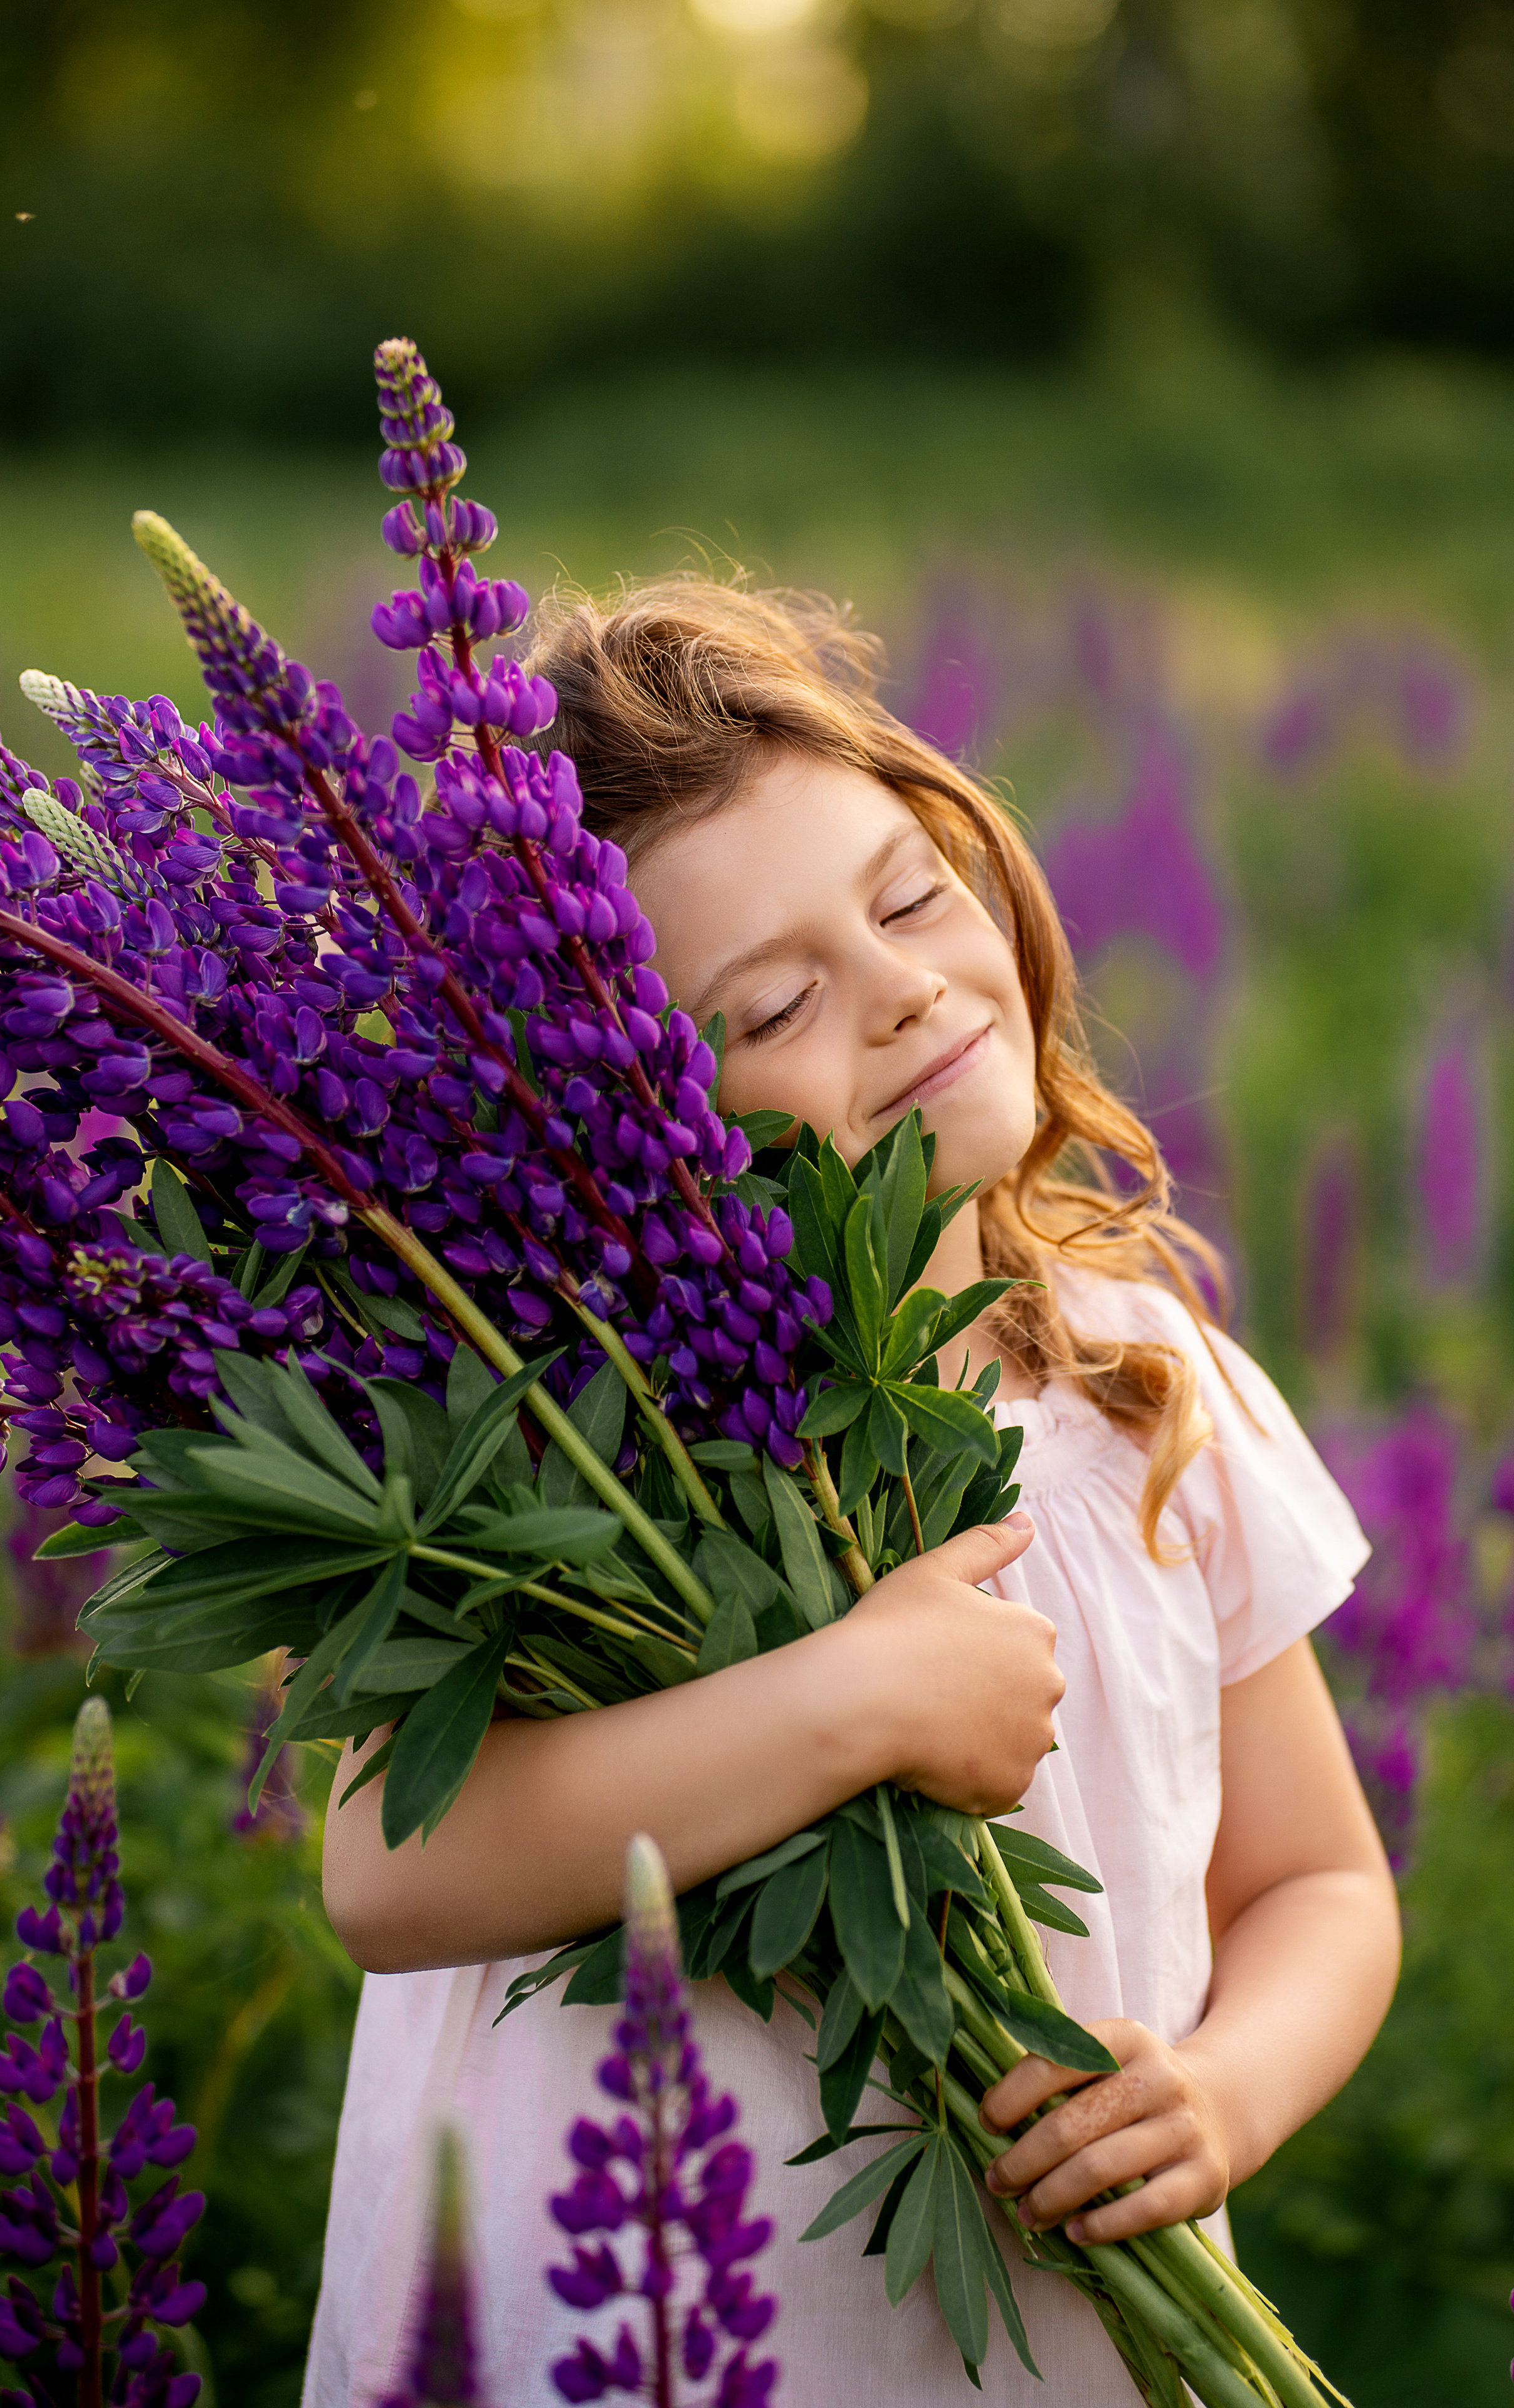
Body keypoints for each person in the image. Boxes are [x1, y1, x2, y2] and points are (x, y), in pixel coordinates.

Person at [305, 578, 1400, 2407]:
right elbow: (391, 1871)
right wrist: (850, 1699)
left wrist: (1226, 2091)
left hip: (1052, 2328)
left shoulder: (1146, 1378)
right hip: (610, 2329)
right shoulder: (574, 1453)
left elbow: (1321, 1882)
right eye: (775, 1005)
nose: (902, 996)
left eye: (909, 896)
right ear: (609, 1111)